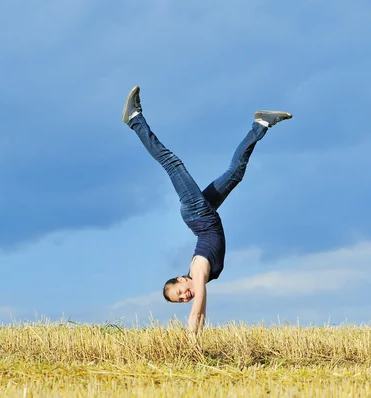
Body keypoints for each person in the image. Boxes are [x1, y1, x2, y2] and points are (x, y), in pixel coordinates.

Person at [122, 86, 292, 333]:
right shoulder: (200, 277)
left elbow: (199, 304)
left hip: (197, 212)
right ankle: (261, 123)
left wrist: (193, 334)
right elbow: (199, 305)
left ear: (181, 279)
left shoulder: (199, 271)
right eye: (181, 300)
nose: (185, 297)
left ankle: (134, 119)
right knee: (235, 174)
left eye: (180, 292)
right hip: (204, 214)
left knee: (171, 162)